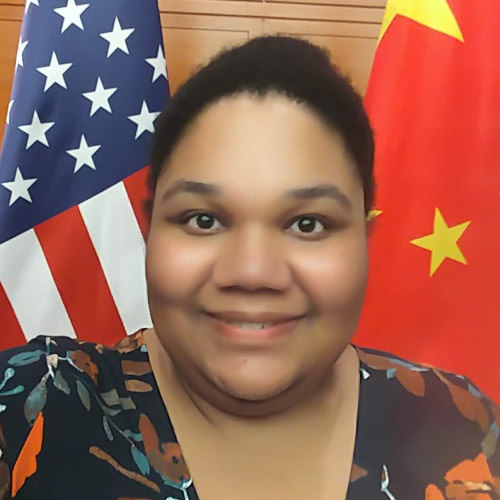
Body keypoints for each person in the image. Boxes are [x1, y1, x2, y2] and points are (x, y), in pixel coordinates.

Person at [0, 35, 498, 500]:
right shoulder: (32, 409)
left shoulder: (462, 426)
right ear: (149, 230)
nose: (253, 272)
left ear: (364, 239)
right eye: (203, 219)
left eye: (308, 224)